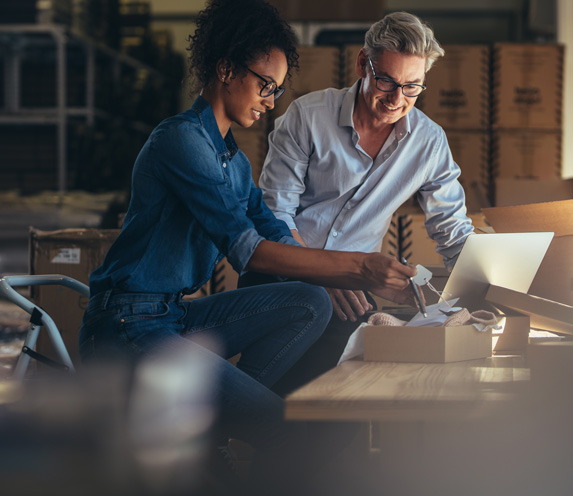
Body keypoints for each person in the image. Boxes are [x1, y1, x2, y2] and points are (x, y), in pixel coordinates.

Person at [78, 0, 415, 493]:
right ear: (226, 67)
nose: (271, 101)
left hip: (173, 316)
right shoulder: (181, 141)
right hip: (125, 326)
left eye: (277, 90)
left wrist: (352, 280)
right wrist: (361, 268)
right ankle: (226, 425)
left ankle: (211, 424)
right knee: (285, 429)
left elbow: (273, 229)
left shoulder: (232, 161)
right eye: (264, 85)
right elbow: (249, 251)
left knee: (309, 300)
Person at [248, 11, 474, 396]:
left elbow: (452, 232)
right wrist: (325, 272)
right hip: (282, 279)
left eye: (412, 87)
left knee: (347, 407)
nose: (396, 99)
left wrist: (490, 285)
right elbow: (274, 216)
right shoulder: (306, 117)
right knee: (275, 405)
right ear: (362, 65)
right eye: (385, 80)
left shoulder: (429, 142)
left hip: (352, 293)